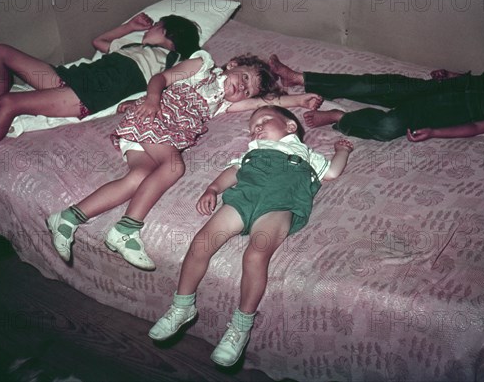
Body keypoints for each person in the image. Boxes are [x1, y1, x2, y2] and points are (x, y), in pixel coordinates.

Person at [46, 52, 323, 271]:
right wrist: (153, 100)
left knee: (138, 178)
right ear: (233, 64)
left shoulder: (222, 104)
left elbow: (260, 105)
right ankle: (126, 229)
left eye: (247, 90)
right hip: (152, 117)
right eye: (245, 78)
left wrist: (300, 99)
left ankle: (68, 217)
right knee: (174, 166)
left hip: (158, 136)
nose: (242, 88)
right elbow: (160, 79)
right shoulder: (202, 66)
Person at [147, 105, 354, 366]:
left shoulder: (306, 153)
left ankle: (240, 327)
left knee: (256, 254)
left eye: (264, 121)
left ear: (290, 126)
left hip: (281, 203)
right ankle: (182, 305)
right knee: (202, 242)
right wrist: (212, 188)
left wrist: (342, 151)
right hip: (245, 197)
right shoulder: (252, 151)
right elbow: (234, 172)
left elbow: (332, 173)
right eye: (252, 127)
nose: (256, 128)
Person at [0, 13, 201, 165]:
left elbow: (175, 79)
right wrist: (129, 26)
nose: (149, 28)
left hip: (92, 92)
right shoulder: (133, 45)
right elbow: (99, 43)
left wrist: (152, 98)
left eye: (157, 25)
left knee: (9, 102)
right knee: (0, 52)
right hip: (74, 76)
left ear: (167, 32)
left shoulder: (172, 59)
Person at [269, 55, 484, 142]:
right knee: (369, 86)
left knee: (387, 128)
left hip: (432, 115)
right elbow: (477, 81)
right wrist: (451, 75)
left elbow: (475, 128)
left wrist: (436, 132)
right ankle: (299, 78)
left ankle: (340, 118)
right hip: (425, 91)